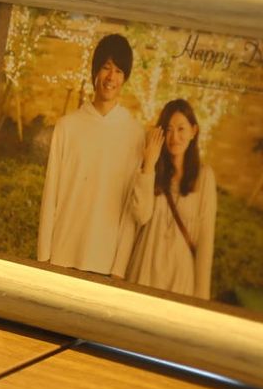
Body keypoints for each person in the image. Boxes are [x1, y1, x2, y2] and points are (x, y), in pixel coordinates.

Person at [37, 34, 144, 274]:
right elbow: (50, 193)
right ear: (95, 71)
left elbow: (129, 210)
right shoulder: (67, 127)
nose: (111, 77)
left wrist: (118, 269)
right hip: (61, 255)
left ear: (125, 77)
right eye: (106, 67)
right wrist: (44, 256)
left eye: (118, 71)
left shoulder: (134, 134)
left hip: (104, 263)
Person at [121, 99, 217, 299]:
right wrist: (149, 164)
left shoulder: (204, 176)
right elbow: (141, 215)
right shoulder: (151, 169)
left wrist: (201, 297)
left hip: (180, 277)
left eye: (181, 129)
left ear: (193, 131)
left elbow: (205, 241)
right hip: (145, 269)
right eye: (169, 129)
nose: (175, 137)